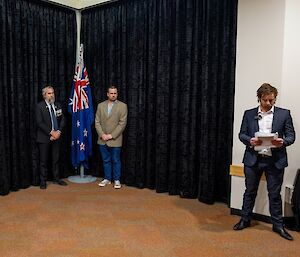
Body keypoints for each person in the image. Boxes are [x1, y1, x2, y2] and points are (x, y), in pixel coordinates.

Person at [233, 83, 296, 240]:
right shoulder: (248, 114)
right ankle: (245, 219)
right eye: (265, 100)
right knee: (249, 192)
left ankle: (278, 225)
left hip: (275, 160)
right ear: (259, 98)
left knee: (274, 195)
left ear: (275, 98)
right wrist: (250, 140)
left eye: (272, 100)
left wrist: (283, 141)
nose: (269, 103)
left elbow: (291, 136)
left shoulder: (284, 114)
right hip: (253, 159)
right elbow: (242, 134)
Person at [95, 85, 128, 189]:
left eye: (115, 93)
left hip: (115, 139)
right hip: (102, 139)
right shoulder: (100, 105)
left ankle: (117, 180)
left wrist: (111, 135)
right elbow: (97, 122)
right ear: (107, 94)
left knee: (116, 160)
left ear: (117, 94)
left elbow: (122, 124)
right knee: (105, 160)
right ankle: (107, 179)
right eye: (111, 93)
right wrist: (102, 135)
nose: (113, 95)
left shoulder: (123, 106)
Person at [36, 86, 68, 189]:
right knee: (43, 161)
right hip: (44, 138)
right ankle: (43, 181)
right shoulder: (39, 106)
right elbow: (39, 123)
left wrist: (58, 132)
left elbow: (63, 119)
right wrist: (51, 133)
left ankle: (56, 178)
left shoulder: (57, 105)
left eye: (53, 93)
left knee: (56, 159)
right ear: (44, 95)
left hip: (57, 137)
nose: (52, 95)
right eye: (49, 93)